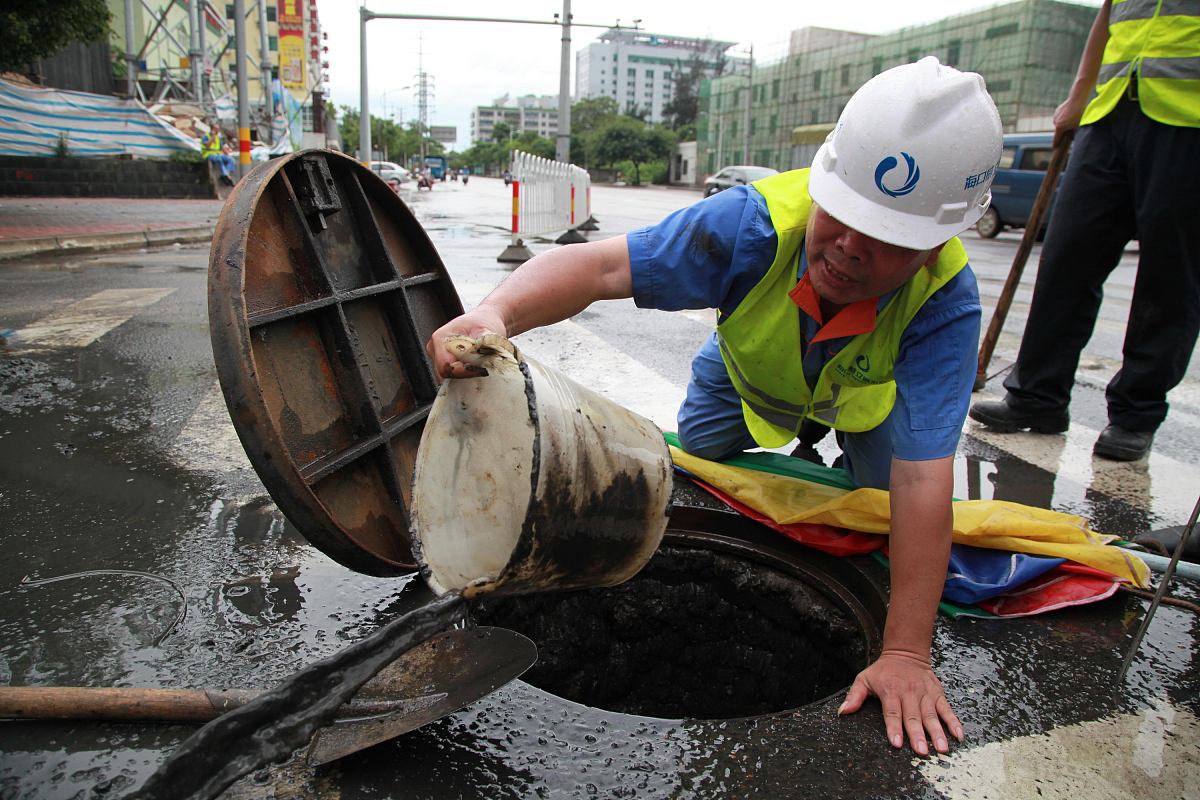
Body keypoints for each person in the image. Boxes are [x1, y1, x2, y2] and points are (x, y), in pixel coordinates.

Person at [427, 57, 1002, 756]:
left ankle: (838, 454)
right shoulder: (753, 227)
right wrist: (494, 314)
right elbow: (601, 267)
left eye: (886, 240)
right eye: (842, 215)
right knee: (699, 449)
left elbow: (925, 478)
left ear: (934, 245)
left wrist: (906, 652)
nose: (850, 249)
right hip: (747, 376)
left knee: (879, 506)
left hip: (862, 402)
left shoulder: (944, 300)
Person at [969, 0, 1200, 461]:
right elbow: (1109, 13)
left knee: (1170, 276)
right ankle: (1038, 396)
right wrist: (1078, 96)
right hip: (1109, 111)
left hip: (1188, 118)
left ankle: (1135, 414)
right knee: (1066, 256)